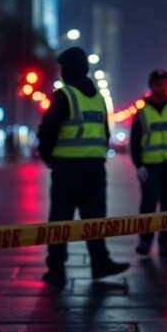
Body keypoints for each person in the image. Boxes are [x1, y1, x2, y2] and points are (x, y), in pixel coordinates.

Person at [37, 47, 130, 286]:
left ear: (67, 70)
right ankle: (100, 263)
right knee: (95, 219)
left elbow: (48, 129)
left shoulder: (65, 95)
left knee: (60, 220)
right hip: (95, 167)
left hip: (68, 167)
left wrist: (48, 156)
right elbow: (104, 133)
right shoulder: (97, 98)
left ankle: (56, 269)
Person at [131, 69, 167, 257]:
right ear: (151, 86)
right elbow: (135, 140)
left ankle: (165, 243)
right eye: (158, 83)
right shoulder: (142, 113)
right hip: (150, 165)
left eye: (165, 83)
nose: (162, 87)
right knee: (149, 201)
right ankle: (145, 240)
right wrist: (138, 164)